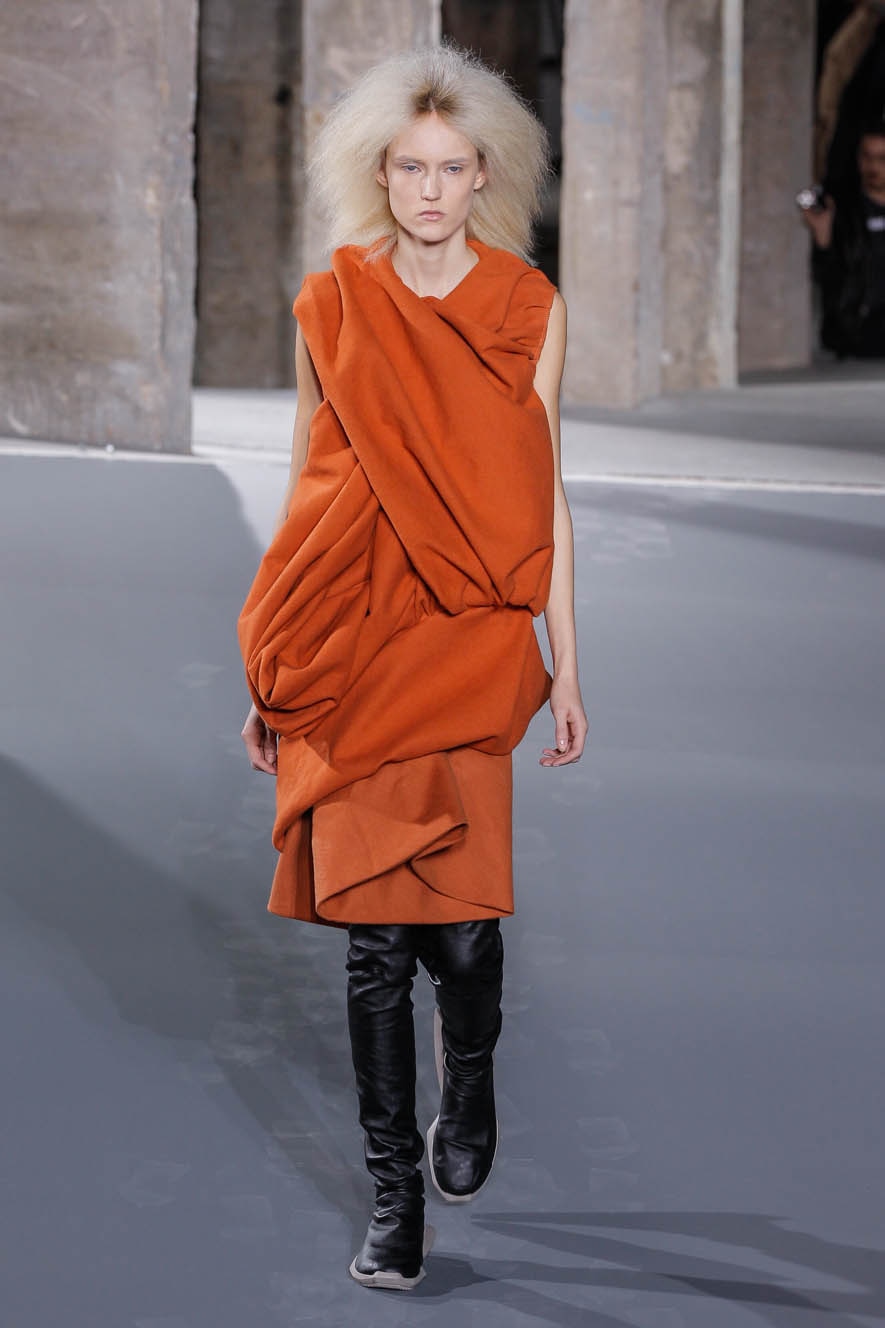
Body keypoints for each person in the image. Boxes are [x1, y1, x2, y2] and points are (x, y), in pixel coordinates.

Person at [238, 44, 587, 1291]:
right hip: (355, 635)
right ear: (377, 175)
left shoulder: (525, 308)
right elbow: (308, 481)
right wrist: (271, 659)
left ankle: (471, 1068)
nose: (430, 190)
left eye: (451, 168)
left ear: (485, 173)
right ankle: (395, 1202)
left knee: (464, 939)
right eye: (409, 168)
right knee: (375, 946)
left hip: (470, 635)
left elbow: (543, 492)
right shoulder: (334, 304)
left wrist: (569, 663)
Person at [803, 120, 885, 357]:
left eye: (882, 159)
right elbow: (828, 279)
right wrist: (823, 240)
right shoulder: (845, 213)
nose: (873, 166)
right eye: (867, 157)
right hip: (858, 327)